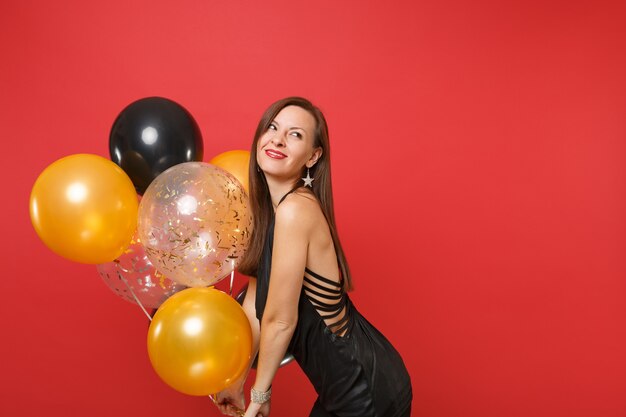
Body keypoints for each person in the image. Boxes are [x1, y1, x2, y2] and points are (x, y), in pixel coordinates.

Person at [215, 97, 412, 417]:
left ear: (313, 156)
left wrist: (260, 394)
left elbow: (280, 320)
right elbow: (254, 307)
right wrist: (236, 379)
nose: (277, 138)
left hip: (365, 386)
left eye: (295, 134)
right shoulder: (270, 215)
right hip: (340, 389)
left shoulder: (296, 210)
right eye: (273, 127)